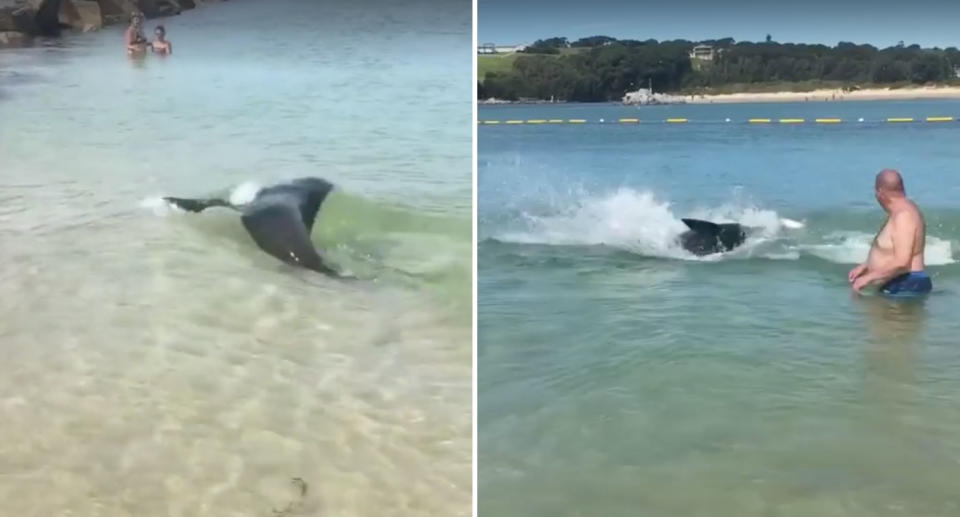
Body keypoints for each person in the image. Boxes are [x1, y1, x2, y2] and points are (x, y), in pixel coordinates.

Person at [848, 168, 930, 297]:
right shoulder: (901, 212)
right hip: (902, 284)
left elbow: (902, 262)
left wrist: (867, 278)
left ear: (880, 192)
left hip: (905, 286)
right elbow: (893, 249)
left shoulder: (904, 216)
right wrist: (866, 265)